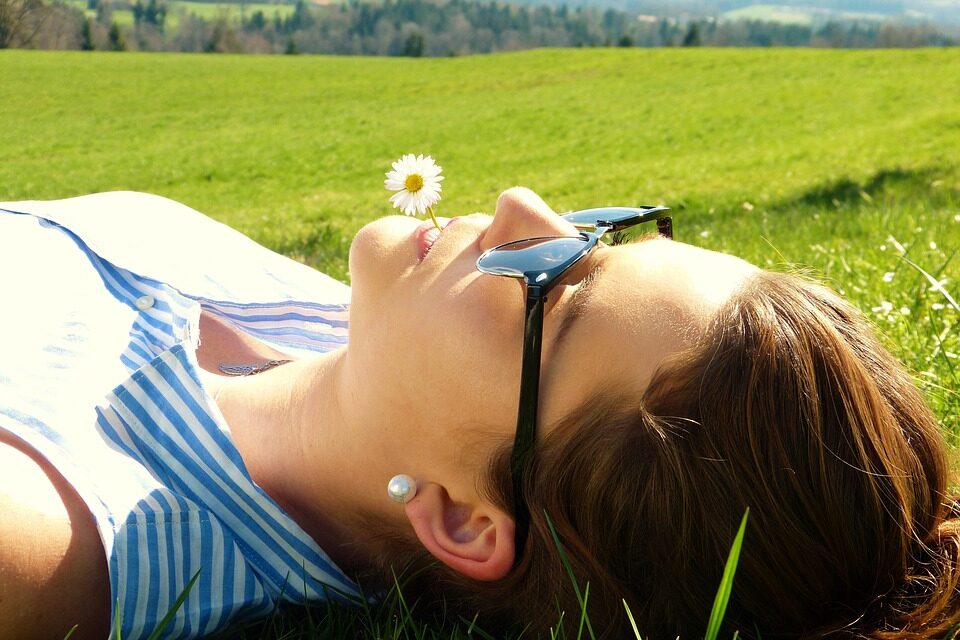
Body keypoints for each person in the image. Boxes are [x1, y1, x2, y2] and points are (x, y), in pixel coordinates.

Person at [0, 187, 956, 640]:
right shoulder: (356, 332)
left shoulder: (54, 528)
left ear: (464, 517)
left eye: (551, 288)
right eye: (599, 236)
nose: (522, 207)